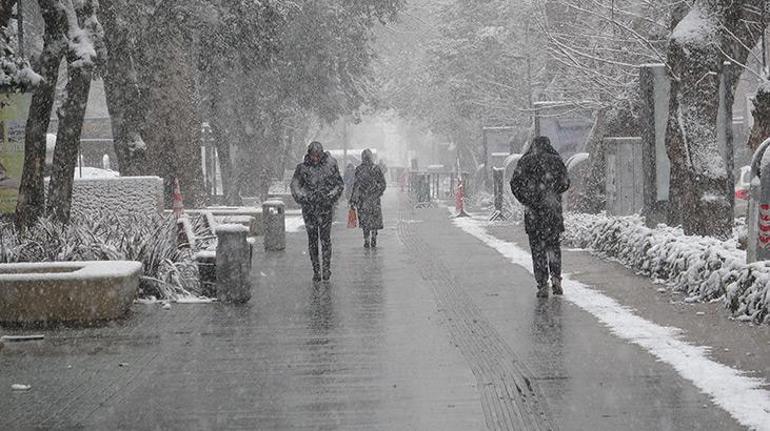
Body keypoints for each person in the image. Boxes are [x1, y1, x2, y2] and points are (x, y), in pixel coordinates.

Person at [510, 136, 571, 298]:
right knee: (553, 248)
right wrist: (552, 193)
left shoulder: (525, 162)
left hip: (533, 214)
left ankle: (542, 283)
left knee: (537, 249)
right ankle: (556, 279)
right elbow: (566, 183)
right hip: (552, 214)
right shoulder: (556, 161)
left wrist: (527, 199)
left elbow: (514, 184)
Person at [291, 141, 345, 281]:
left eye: (318, 155)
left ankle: (326, 268)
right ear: (309, 154)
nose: (315, 158)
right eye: (313, 155)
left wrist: (330, 197)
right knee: (313, 240)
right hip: (309, 210)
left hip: (325, 209)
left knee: (325, 239)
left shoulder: (330, 166)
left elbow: (339, 184)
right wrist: (304, 198)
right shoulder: (302, 169)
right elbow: (295, 186)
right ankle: (316, 269)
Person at [350, 149, 387, 248]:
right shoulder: (376, 169)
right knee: (374, 219)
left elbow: (356, 185)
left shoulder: (359, 169)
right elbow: (383, 184)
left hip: (363, 200)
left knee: (365, 220)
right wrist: (377, 192)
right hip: (374, 200)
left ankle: (366, 238)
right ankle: (374, 236)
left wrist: (353, 200)